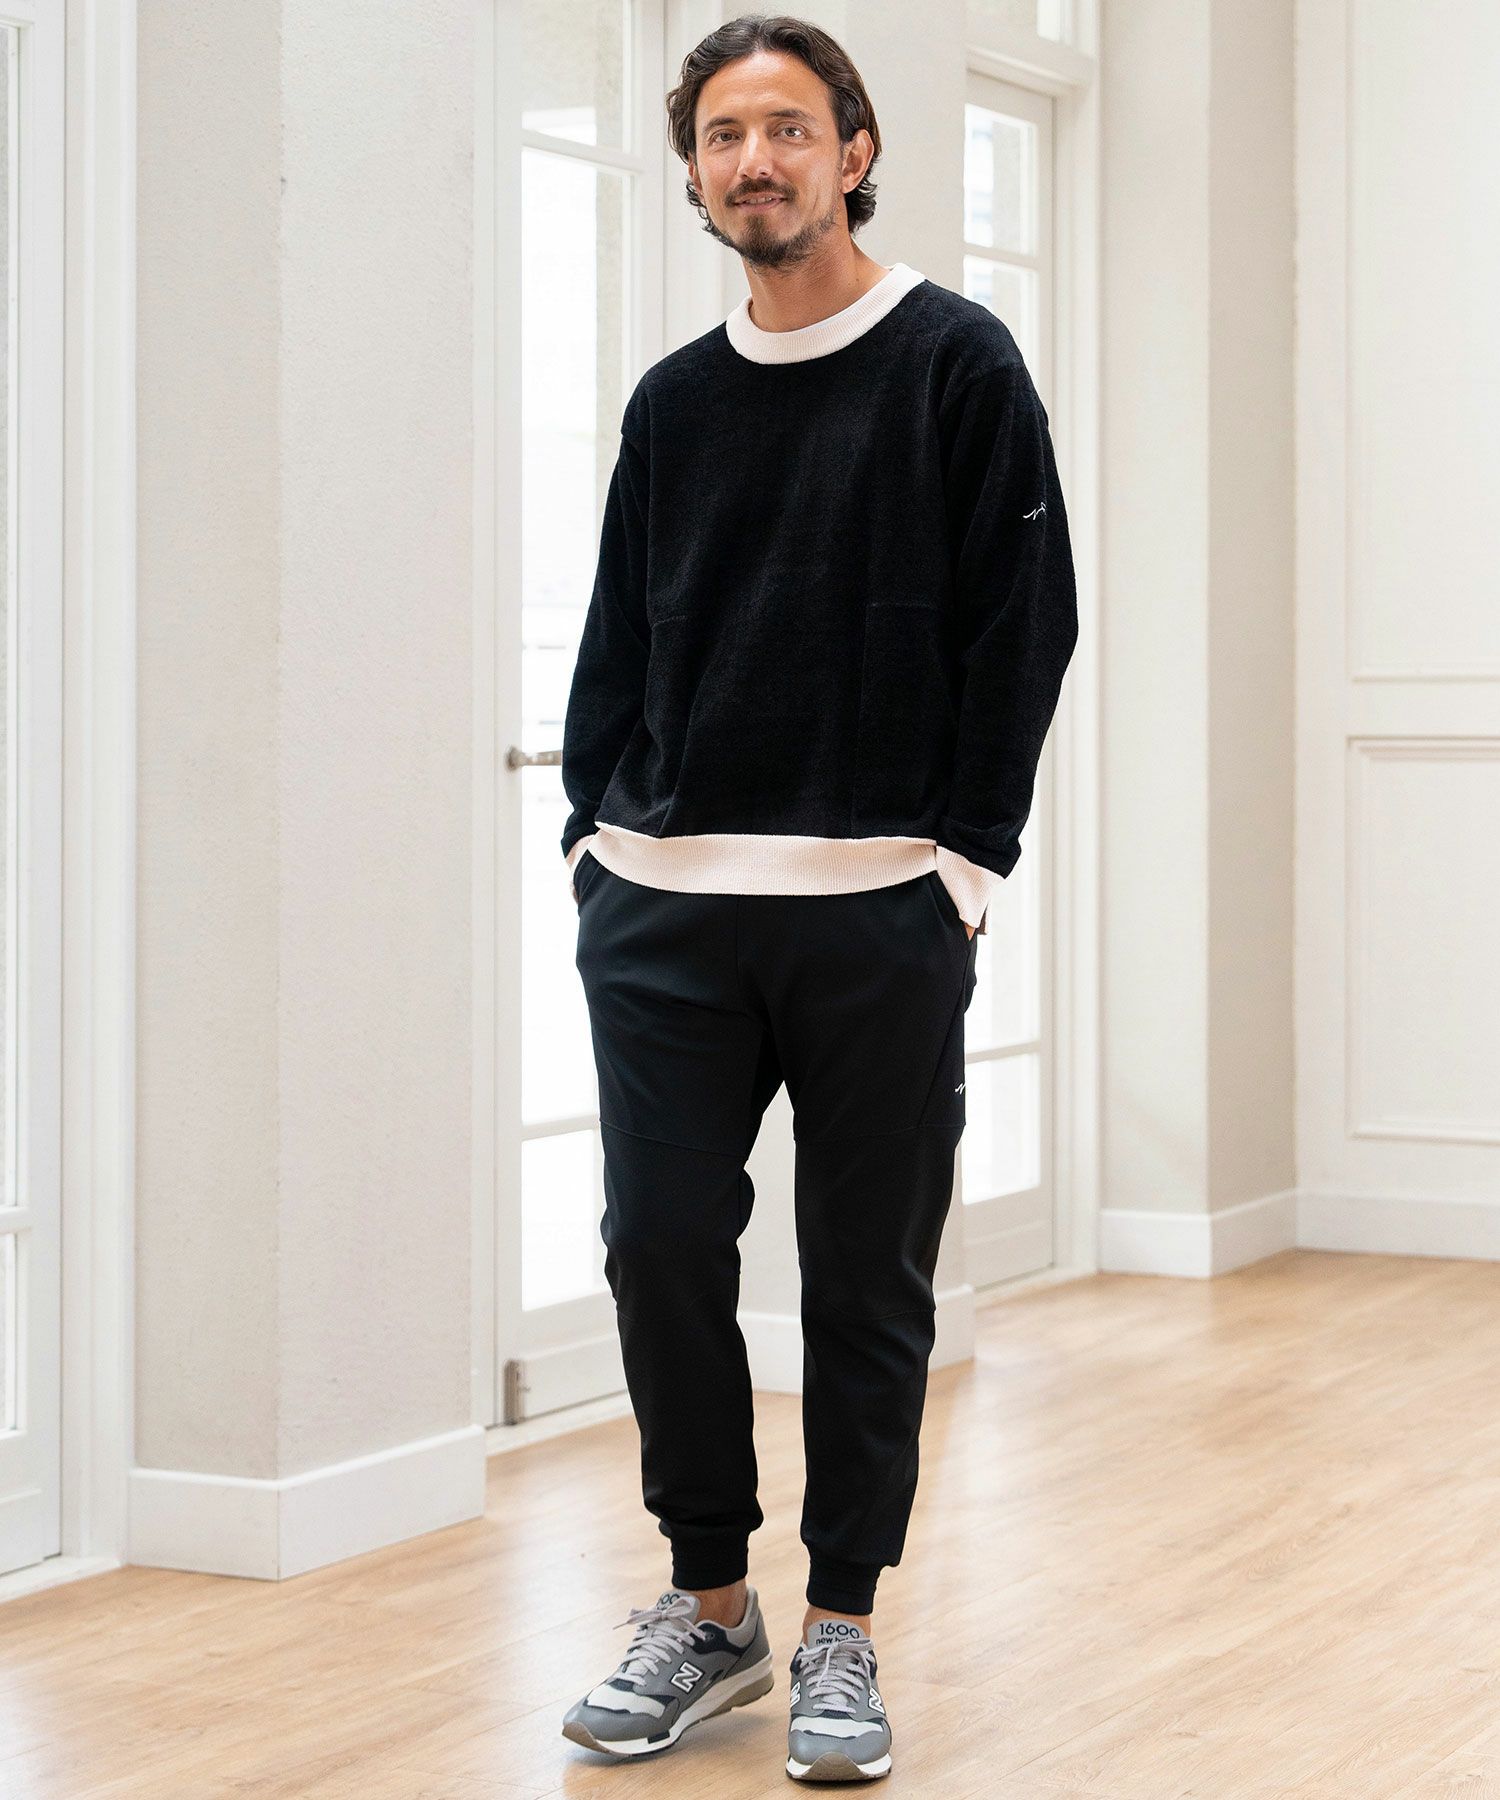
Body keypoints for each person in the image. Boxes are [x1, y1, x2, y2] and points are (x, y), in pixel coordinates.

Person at [558, 13, 1077, 1784]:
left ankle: (843, 1619)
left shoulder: (957, 363)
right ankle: (712, 1606)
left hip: (877, 907)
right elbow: (617, 637)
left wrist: (962, 868)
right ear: (697, 172)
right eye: (722, 135)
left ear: (854, 153)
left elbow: (1027, 628)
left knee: (866, 1281)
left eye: (787, 128)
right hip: (664, 901)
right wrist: (593, 839)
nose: (753, 161)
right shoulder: (673, 401)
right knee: (655, 1250)